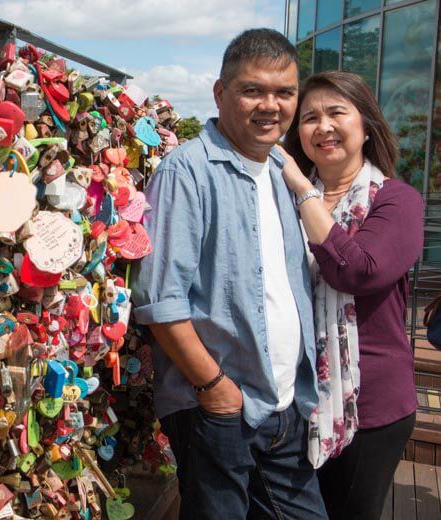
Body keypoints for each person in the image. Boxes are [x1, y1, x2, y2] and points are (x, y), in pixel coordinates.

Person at [131, 29, 326, 519]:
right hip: (217, 409)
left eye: (284, 93)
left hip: (284, 405)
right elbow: (159, 300)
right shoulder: (187, 171)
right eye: (253, 90)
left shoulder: (282, 171)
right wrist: (215, 390)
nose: (271, 105)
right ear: (221, 93)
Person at [281, 70, 423, 520]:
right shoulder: (278, 202)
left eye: (336, 113)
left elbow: (358, 271)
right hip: (295, 399)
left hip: (372, 405)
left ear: (366, 126)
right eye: (309, 117)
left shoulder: (398, 201)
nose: (323, 126)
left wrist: (303, 191)